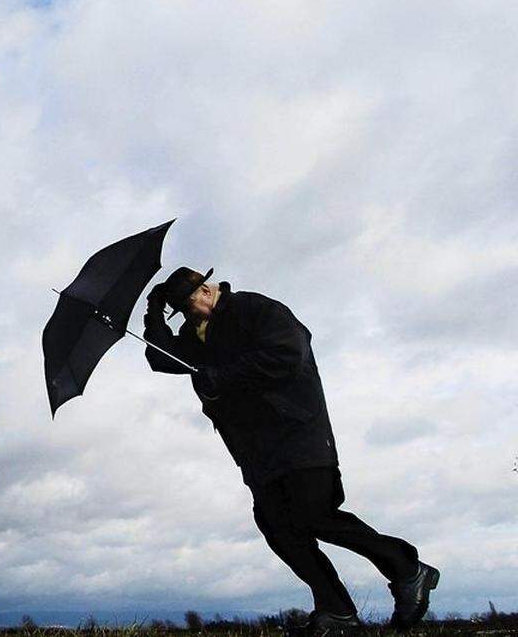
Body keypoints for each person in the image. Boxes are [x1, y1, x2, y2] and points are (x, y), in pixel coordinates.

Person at [141, 266, 439, 633]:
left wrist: (224, 375)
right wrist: (155, 311)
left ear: (206, 291)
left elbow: (288, 352)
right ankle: (337, 610)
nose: (189, 315)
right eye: (181, 312)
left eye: (189, 305)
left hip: (298, 434)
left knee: (315, 514)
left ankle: (407, 569)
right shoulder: (195, 334)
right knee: (277, 525)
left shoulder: (255, 309)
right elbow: (160, 357)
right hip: (255, 449)